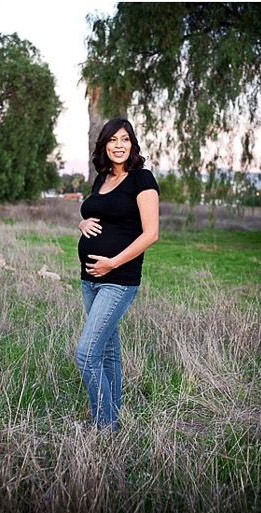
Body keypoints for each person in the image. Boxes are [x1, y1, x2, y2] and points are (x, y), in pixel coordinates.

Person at [74, 117, 160, 433]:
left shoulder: (142, 179)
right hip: (90, 280)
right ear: (105, 145)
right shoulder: (102, 178)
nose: (119, 145)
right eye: (113, 140)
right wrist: (82, 224)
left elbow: (151, 233)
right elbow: (97, 214)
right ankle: (113, 420)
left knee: (85, 355)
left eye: (124, 139)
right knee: (108, 351)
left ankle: (105, 425)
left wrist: (112, 263)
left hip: (118, 279)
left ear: (132, 144)